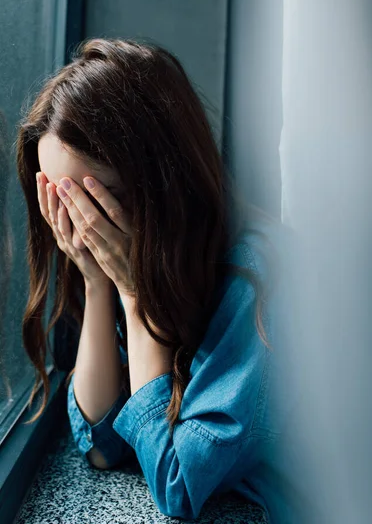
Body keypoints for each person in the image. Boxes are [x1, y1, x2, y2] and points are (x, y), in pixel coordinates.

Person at [15, 38, 299, 522]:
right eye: (66, 209)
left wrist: (130, 291)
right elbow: (101, 446)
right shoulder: (157, 267)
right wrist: (100, 283)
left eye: (101, 203)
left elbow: (177, 485)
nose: (86, 228)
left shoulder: (257, 280)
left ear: (164, 178)